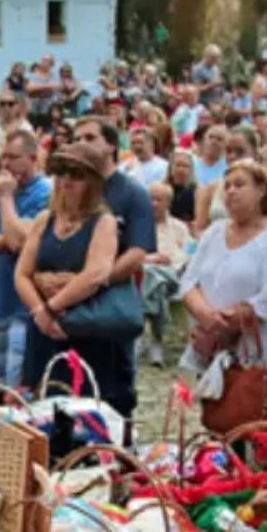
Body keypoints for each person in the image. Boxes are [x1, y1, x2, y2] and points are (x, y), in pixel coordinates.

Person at [180, 160, 267, 419]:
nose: (231, 191)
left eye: (240, 184)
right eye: (228, 186)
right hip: (214, 352)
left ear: (261, 190)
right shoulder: (214, 232)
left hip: (258, 359)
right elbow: (189, 281)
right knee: (218, 426)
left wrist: (228, 322)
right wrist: (207, 317)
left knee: (260, 437)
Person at [15, 141, 119, 398]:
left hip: (85, 328)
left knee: (84, 409)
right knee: (40, 403)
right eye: (61, 173)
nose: (66, 181)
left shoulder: (103, 222)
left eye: (76, 175)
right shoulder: (44, 220)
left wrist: (53, 306)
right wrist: (40, 311)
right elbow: (21, 274)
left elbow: (96, 274)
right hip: (42, 329)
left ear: (92, 183)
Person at [71, 116, 155, 418]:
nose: (80, 143)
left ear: (110, 144)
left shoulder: (132, 193)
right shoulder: (70, 190)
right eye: (76, 137)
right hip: (70, 303)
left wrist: (97, 281)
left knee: (114, 391)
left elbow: (136, 252)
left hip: (111, 305)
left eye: (89, 137)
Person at [0, 129, 52, 386]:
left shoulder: (45, 194)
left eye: (13, 157)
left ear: (32, 158)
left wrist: (6, 198)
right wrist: (6, 240)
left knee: (17, 386)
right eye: (4, 157)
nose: (5, 164)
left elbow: (20, 242)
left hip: (24, 308)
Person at [141, 180, 190, 367]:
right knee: (153, 279)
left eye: (158, 200)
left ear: (168, 203)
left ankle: (153, 338)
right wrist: (151, 259)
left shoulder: (179, 227)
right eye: (150, 199)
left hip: (173, 276)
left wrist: (169, 262)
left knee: (157, 280)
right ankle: (157, 338)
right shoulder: (137, 225)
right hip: (144, 275)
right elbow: (129, 255)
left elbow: (185, 255)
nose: (153, 203)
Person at [168, 148, 197, 223]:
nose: (181, 169)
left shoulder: (197, 192)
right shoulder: (162, 189)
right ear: (171, 167)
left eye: (185, 166)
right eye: (178, 165)